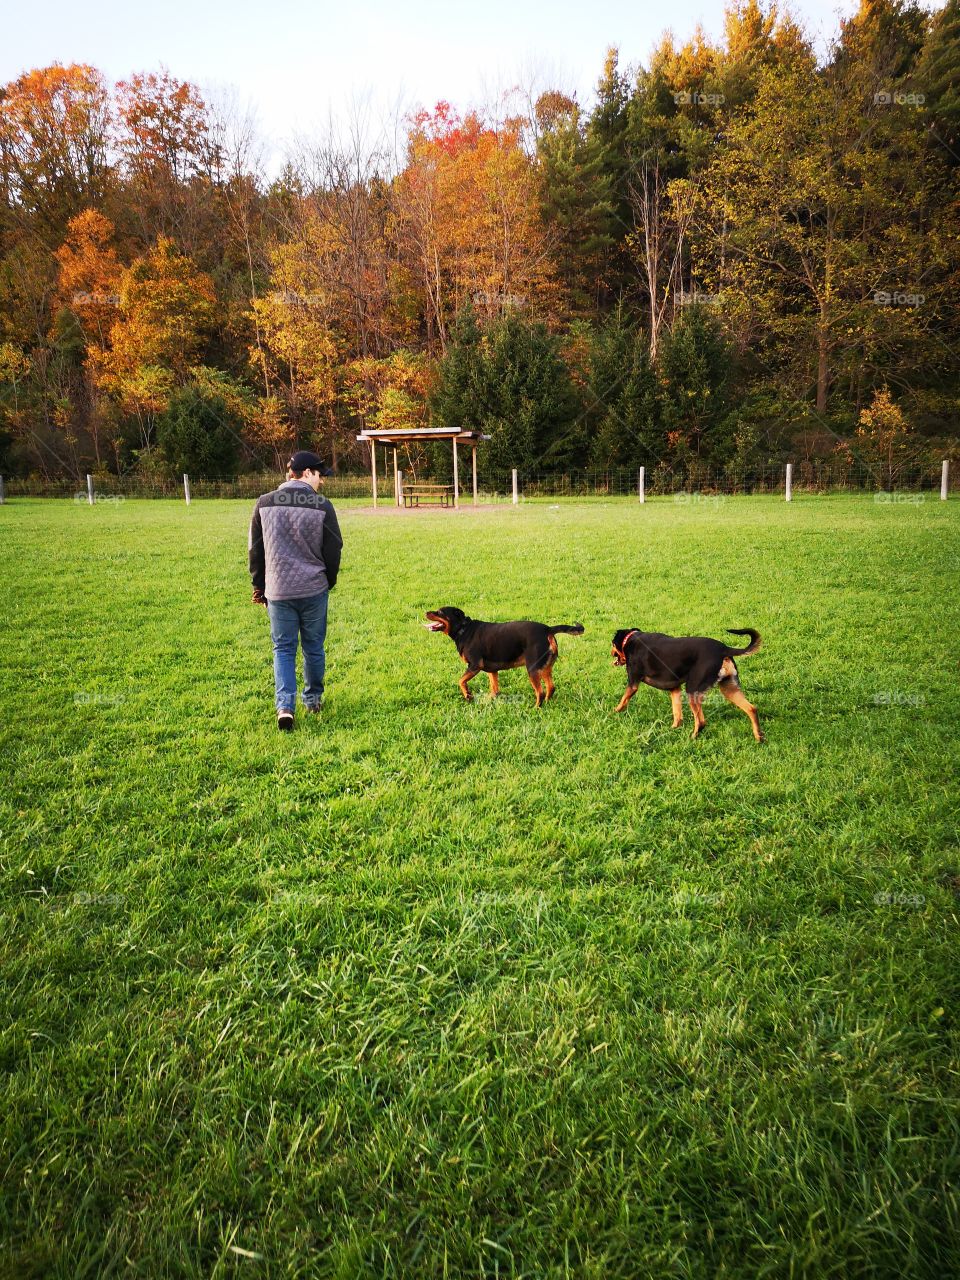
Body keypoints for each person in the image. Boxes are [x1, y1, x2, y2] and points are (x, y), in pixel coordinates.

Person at [248, 451, 343, 731]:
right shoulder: (322, 506)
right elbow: (334, 547)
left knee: (283, 649)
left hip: (278, 590)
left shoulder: (263, 503)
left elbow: (256, 550)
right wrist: (330, 580)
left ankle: (284, 707)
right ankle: (312, 700)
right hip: (314, 588)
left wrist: (259, 585)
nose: (322, 481)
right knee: (313, 646)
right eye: (319, 475)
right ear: (306, 473)